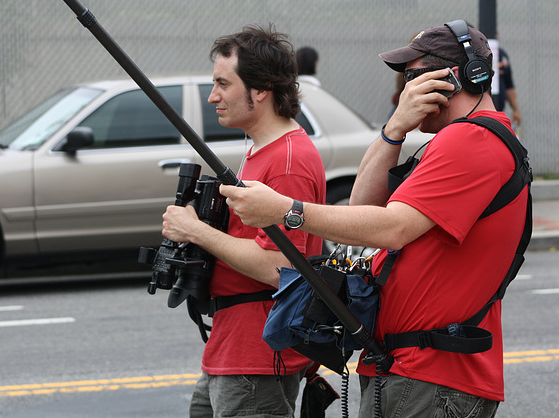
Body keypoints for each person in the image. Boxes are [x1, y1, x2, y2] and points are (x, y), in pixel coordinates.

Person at [219, 21, 529, 417]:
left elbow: (393, 229)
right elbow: (363, 205)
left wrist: (286, 210)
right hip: (415, 370)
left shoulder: (472, 141)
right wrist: (395, 127)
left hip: (430, 375)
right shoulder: (460, 140)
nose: (402, 91)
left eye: (412, 77)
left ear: (456, 77)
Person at [161, 24, 325, 417]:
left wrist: (195, 230)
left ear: (261, 89)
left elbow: (280, 267)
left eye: (223, 83)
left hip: (256, 357)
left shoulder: (288, 162)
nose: (213, 96)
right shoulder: (261, 150)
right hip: (233, 346)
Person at [494, 47, 522, 127]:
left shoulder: (501, 54)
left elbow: (509, 85)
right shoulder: (476, 51)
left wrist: (515, 110)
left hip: (498, 111)